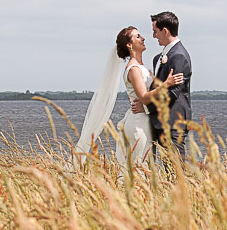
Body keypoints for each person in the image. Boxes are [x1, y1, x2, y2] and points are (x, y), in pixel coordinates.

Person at [75, 26, 183, 168]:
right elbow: (144, 98)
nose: (143, 38)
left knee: (144, 167)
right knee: (139, 167)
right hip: (139, 122)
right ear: (129, 45)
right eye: (138, 36)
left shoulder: (142, 67)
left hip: (146, 120)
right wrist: (167, 84)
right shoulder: (133, 69)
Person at [132, 11, 192, 158]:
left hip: (172, 123)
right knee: (169, 172)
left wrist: (146, 106)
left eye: (155, 31)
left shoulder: (178, 56)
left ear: (165, 31)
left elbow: (172, 93)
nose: (153, 36)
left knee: (176, 172)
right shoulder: (159, 57)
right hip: (161, 122)